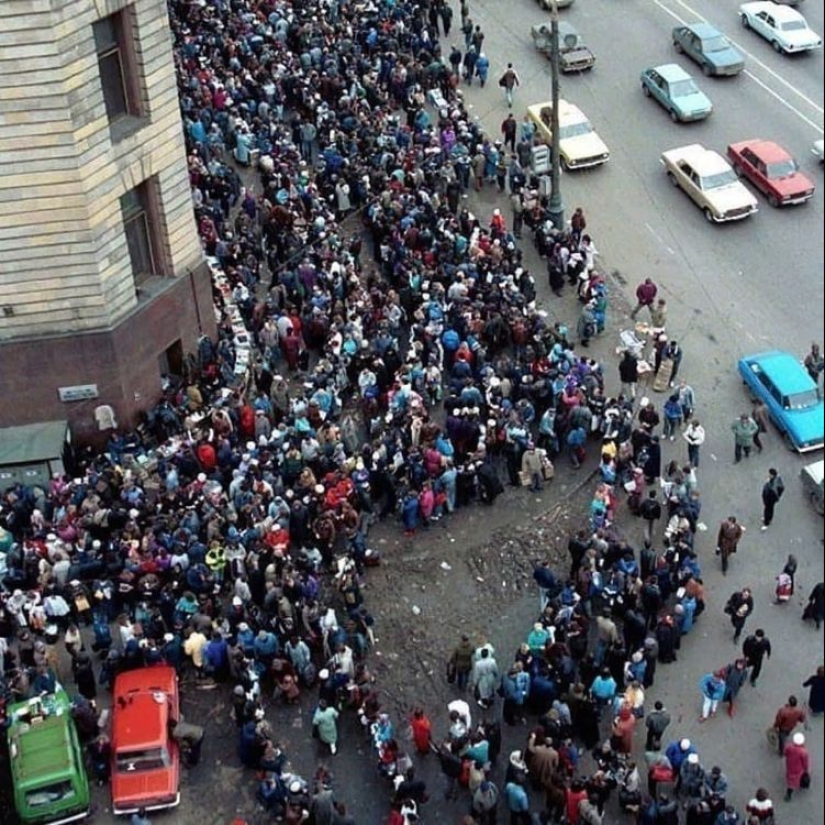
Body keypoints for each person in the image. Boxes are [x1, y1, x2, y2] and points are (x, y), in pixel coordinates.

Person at [783, 732, 809, 802]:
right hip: (798, 769)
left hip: (789, 765)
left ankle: (789, 792)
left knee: (790, 776)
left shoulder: (789, 747)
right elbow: (805, 762)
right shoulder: (803, 752)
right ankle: (789, 793)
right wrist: (806, 770)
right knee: (793, 781)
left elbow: (785, 753)